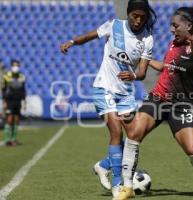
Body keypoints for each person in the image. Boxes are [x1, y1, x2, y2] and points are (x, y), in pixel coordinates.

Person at [115, 7, 193, 200]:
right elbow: (167, 67)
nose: (172, 29)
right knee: (134, 133)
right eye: (172, 25)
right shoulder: (173, 44)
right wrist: (145, 60)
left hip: (182, 104)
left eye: (175, 26)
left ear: (189, 25)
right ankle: (127, 187)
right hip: (159, 98)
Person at [60, 0, 157, 198]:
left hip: (126, 93)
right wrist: (72, 42)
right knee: (115, 132)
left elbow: (142, 72)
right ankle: (117, 184)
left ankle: (103, 165)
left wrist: (134, 76)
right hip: (104, 87)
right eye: (134, 16)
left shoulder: (147, 39)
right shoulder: (114, 25)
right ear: (128, 14)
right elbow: (90, 36)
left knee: (134, 136)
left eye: (142, 16)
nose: (138, 20)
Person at [2, 59, 26, 146]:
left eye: (17, 65)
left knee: (16, 119)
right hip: (10, 100)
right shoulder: (7, 76)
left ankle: (14, 139)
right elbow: (4, 90)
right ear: (11, 66)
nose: (16, 67)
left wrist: (24, 100)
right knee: (9, 118)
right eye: (14, 65)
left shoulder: (22, 77)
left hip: (18, 100)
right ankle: (7, 139)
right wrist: (4, 101)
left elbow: (23, 89)